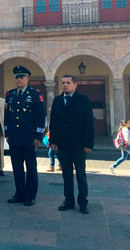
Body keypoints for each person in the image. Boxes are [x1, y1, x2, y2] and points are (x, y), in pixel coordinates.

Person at [49, 74, 94, 214]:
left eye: (68, 82)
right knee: (66, 175)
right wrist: (53, 141)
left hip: (79, 145)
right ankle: (68, 200)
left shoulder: (83, 100)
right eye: (63, 83)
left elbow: (89, 123)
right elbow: (53, 122)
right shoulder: (57, 100)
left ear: (75, 84)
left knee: (80, 174)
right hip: (63, 145)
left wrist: (89, 144)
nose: (65, 85)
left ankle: (83, 202)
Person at [4, 66, 46, 206]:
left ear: (28, 78)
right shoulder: (9, 94)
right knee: (17, 167)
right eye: (17, 77)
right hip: (15, 138)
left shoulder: (35, 94)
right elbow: (7, 116)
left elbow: (40, 116)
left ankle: (30, 195)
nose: (19, 79)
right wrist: (7, 134)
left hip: (29, 138)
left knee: (31, 168)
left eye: (22, 77)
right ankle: (19, 193)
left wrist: (38, 136)